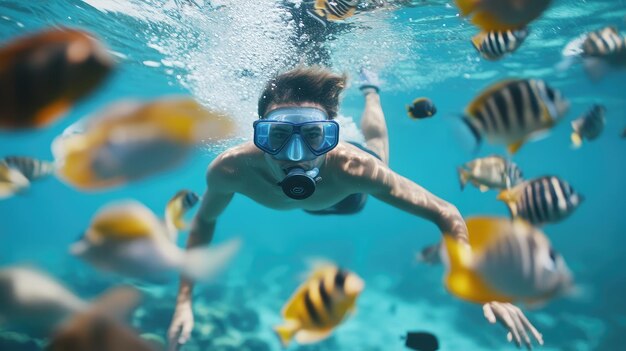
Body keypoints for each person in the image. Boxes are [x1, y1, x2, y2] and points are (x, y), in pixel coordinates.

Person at [168, 66, 543, 349]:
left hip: (349, 198)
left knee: (378, 150)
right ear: (260, 135)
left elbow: (446, 212)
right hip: (319, 201)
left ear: (332, 137)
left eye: (314, 136)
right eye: (278, 136)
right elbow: (204, 222)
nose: (294, 156)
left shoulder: (354, 168)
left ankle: (371, 90)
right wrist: (184, 301)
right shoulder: (230, 169)